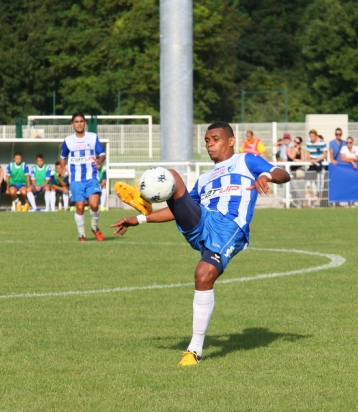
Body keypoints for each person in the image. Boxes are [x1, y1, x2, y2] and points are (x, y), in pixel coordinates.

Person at [111, 122, 290, 366]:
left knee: (203, 274)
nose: (209, 145)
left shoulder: (246, 161)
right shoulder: (204, 179)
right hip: (201, 224)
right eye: (206, 141)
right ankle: (145, 202)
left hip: (228, 227)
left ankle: (194, 350)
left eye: (215, 139)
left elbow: (283, 174)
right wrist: (139, 219)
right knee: (172, 177)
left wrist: (266, 175)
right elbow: (180, 209)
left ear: (230, 141)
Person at [60, 113, 106, 241]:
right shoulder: (68, 140)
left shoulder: (92, 137)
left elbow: (102, 153)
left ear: (85, 123)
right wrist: (63, 168)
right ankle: (81, 234)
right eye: (76, 121)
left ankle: (94, 227)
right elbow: (63, 157)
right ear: (72, 124)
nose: (79, 124)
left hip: (91, 177)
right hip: (76, 179)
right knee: (79, 207)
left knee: (94, 205)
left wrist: (100, 160)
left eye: (81, 121)